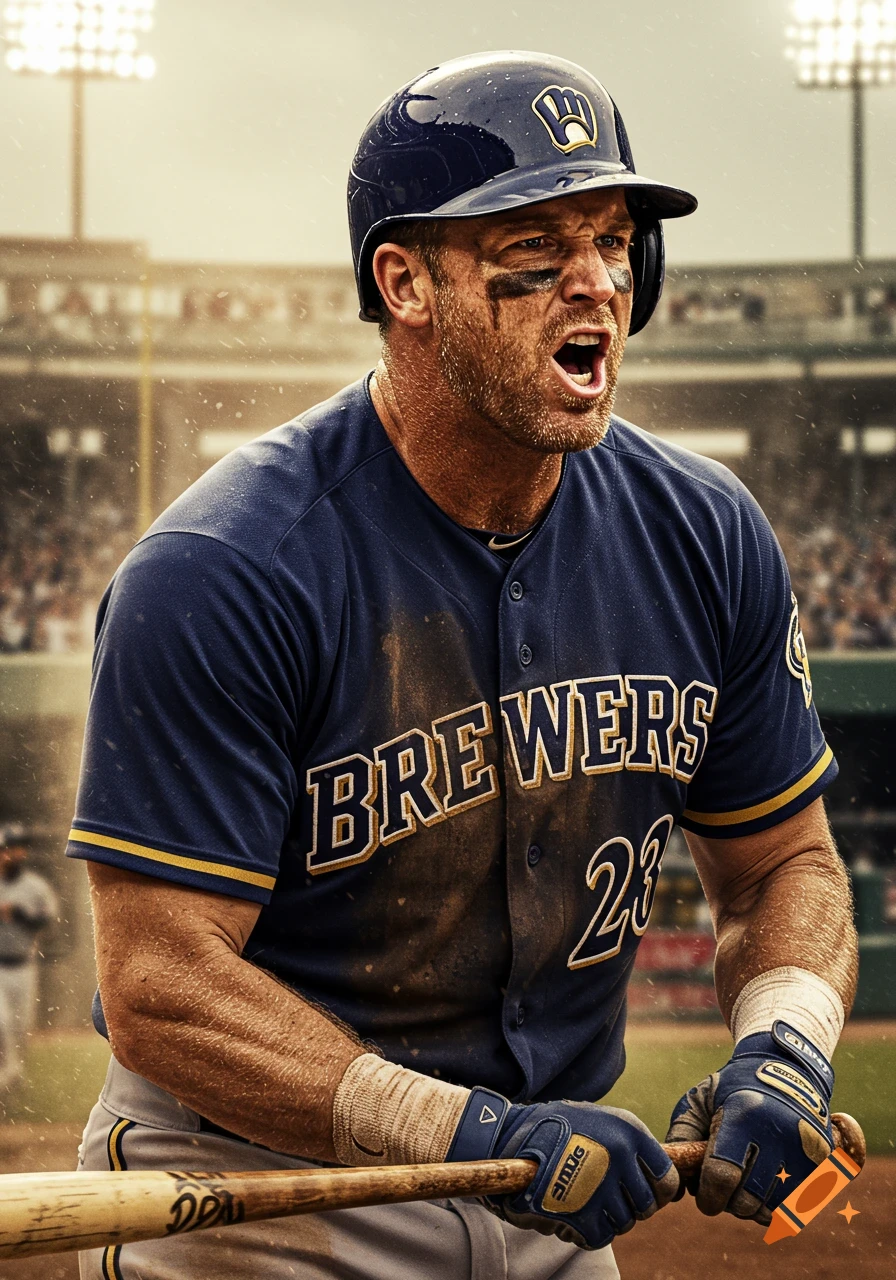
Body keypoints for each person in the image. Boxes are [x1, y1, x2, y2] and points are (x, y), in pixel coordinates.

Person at [68, 51, 857, 1280]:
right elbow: (163, 981)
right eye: (533, 247)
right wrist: (466, 1128)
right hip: (263, 1184)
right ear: (404, 283)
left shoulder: (703, 534)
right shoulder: (226, 567)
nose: (594, 282)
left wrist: (785, 1039)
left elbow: (781, 864)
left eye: (613, 241)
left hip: (545, 1186)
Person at [0, 824, 57, 1092]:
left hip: (24, 964)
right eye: (5, 849)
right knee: (2, 1021)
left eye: (15, 848)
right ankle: (6, 1071)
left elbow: (48, 921)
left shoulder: (35, 886)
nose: (9, 854)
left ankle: (14, 1073)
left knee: (20, 1025)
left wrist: (21, 914)